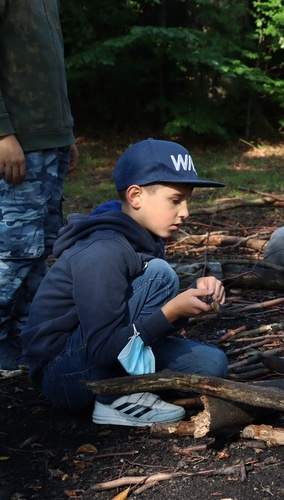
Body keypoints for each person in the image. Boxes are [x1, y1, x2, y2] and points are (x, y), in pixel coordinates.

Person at [19, 138, 228, 427]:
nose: (185, 212)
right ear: (136, 196)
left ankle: (136, 384)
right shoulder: (103, 250)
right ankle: (114, 401)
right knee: (159, 274)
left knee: (211, 364)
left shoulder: (143, 235)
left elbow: (140, 312)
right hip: (64, 374)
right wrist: (171, 311)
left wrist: (192, 296)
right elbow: (103, 348)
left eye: (187, 200)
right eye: (175, 200)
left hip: (101, 352)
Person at [0, 0, 79, 370]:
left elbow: (49, 63)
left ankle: (24, 337)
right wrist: (2, 133)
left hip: (50, 139)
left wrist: (66, 132)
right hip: (17, 141)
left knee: (41, 244)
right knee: (13, 251)